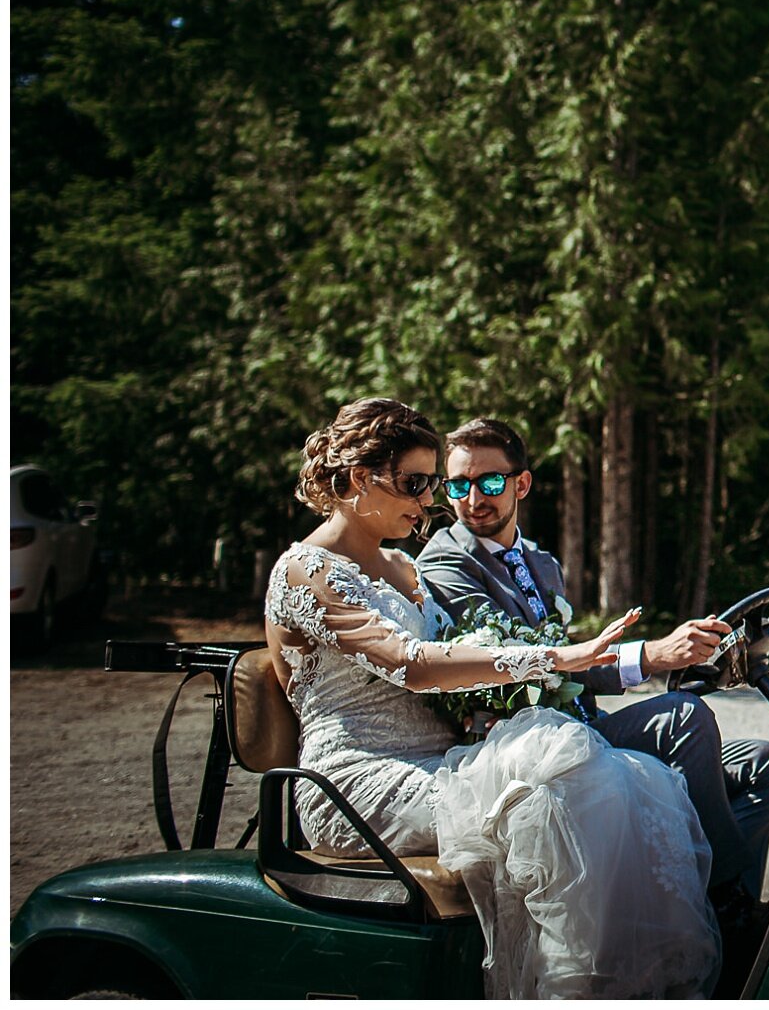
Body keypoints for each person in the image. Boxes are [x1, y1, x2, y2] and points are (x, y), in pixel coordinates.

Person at [263, 397, 720, 998]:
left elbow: (461, 660)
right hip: (358, 781)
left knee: (614, 772)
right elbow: (412, 665)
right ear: (356, 479)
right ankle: (572, 991)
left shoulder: (403, 569)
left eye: (431, 484)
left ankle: (621, 982)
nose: (431, 501)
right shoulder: (306, 571)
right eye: (417, 483)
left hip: (443, 762)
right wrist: (555, 657)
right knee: (555, 786)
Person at [417, 417, 769, 923]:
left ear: (521, 484)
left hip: (579, 729)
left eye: (488, 482)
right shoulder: (446, 563)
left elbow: (566, 657)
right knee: (681, 718)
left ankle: (721, 914)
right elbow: (523, 659)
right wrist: (651, 655)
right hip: (525, 745)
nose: (472, 498)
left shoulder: (541, 562)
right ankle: (727, 904)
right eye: (458, 484)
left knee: (765, 763)